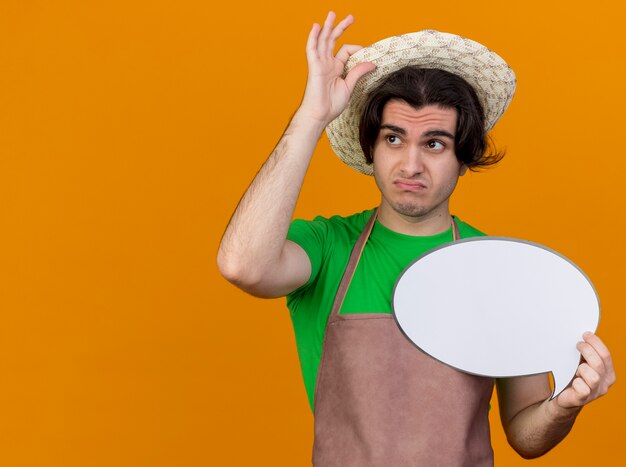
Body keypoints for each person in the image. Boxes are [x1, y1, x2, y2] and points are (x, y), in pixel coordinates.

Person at [217, 12, 615, 465]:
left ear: (464, 158)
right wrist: (311, 116)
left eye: (434, 144)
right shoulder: (328, 247)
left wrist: (563, 406)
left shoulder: (501, 268)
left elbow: (526, 435)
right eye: (393, 138)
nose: (410, 165)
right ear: (372, 148)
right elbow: (241, 265)